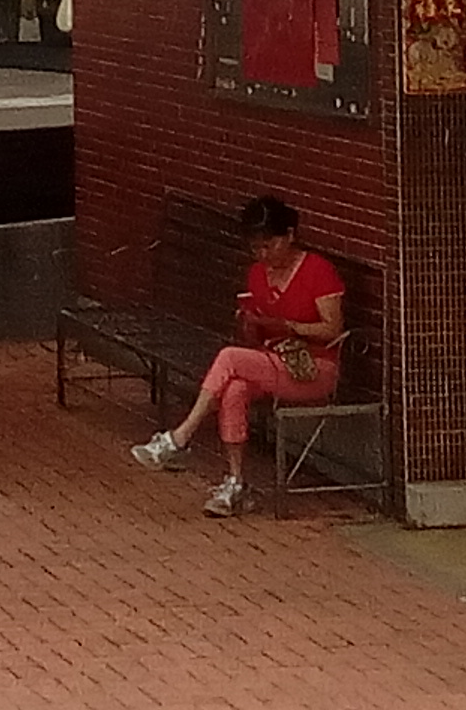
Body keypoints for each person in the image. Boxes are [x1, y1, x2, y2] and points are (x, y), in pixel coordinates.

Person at [130, 193, 347, 516]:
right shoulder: (257, 273)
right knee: (234, 389)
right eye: (256, 248)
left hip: (313, 367)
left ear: (289, 235)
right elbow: (255, 340)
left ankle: (179, 437)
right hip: (272, 361)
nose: (263, 254)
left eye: (269, 245)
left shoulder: (318, 270)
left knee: (230, 358)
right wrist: (250, 323)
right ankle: (235, 481)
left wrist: (288, 325)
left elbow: (333, 329)